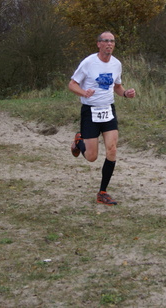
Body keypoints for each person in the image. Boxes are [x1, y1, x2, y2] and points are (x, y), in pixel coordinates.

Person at [68, 31, 136, 206]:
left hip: (108, 110)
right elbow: (72, 84)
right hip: (90, 111)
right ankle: (78, 142)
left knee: (112, 149)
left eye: (112, 41)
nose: (109, 44)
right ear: (98, 44)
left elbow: (117, 87)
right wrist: (84, 93)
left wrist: (126, 94)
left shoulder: (116, 64)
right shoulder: (89, 63)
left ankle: (102, 192)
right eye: (105, 41)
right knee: (91, 157)